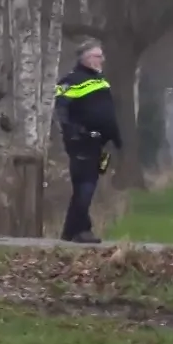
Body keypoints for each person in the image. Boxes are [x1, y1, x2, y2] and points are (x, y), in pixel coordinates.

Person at [53, 41, 122, 244]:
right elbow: (62, 111)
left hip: (99, 142)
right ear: (85, 58)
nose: (102, 60)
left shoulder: (100, 81)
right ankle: (82, 230)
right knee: (85, 185)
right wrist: (74, 133)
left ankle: (70, 230)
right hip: (82, 141)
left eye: (101, 56)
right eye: (97, 56)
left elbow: (107, 113)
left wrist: (115, 138)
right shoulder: (70, 81)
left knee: (86, 185)